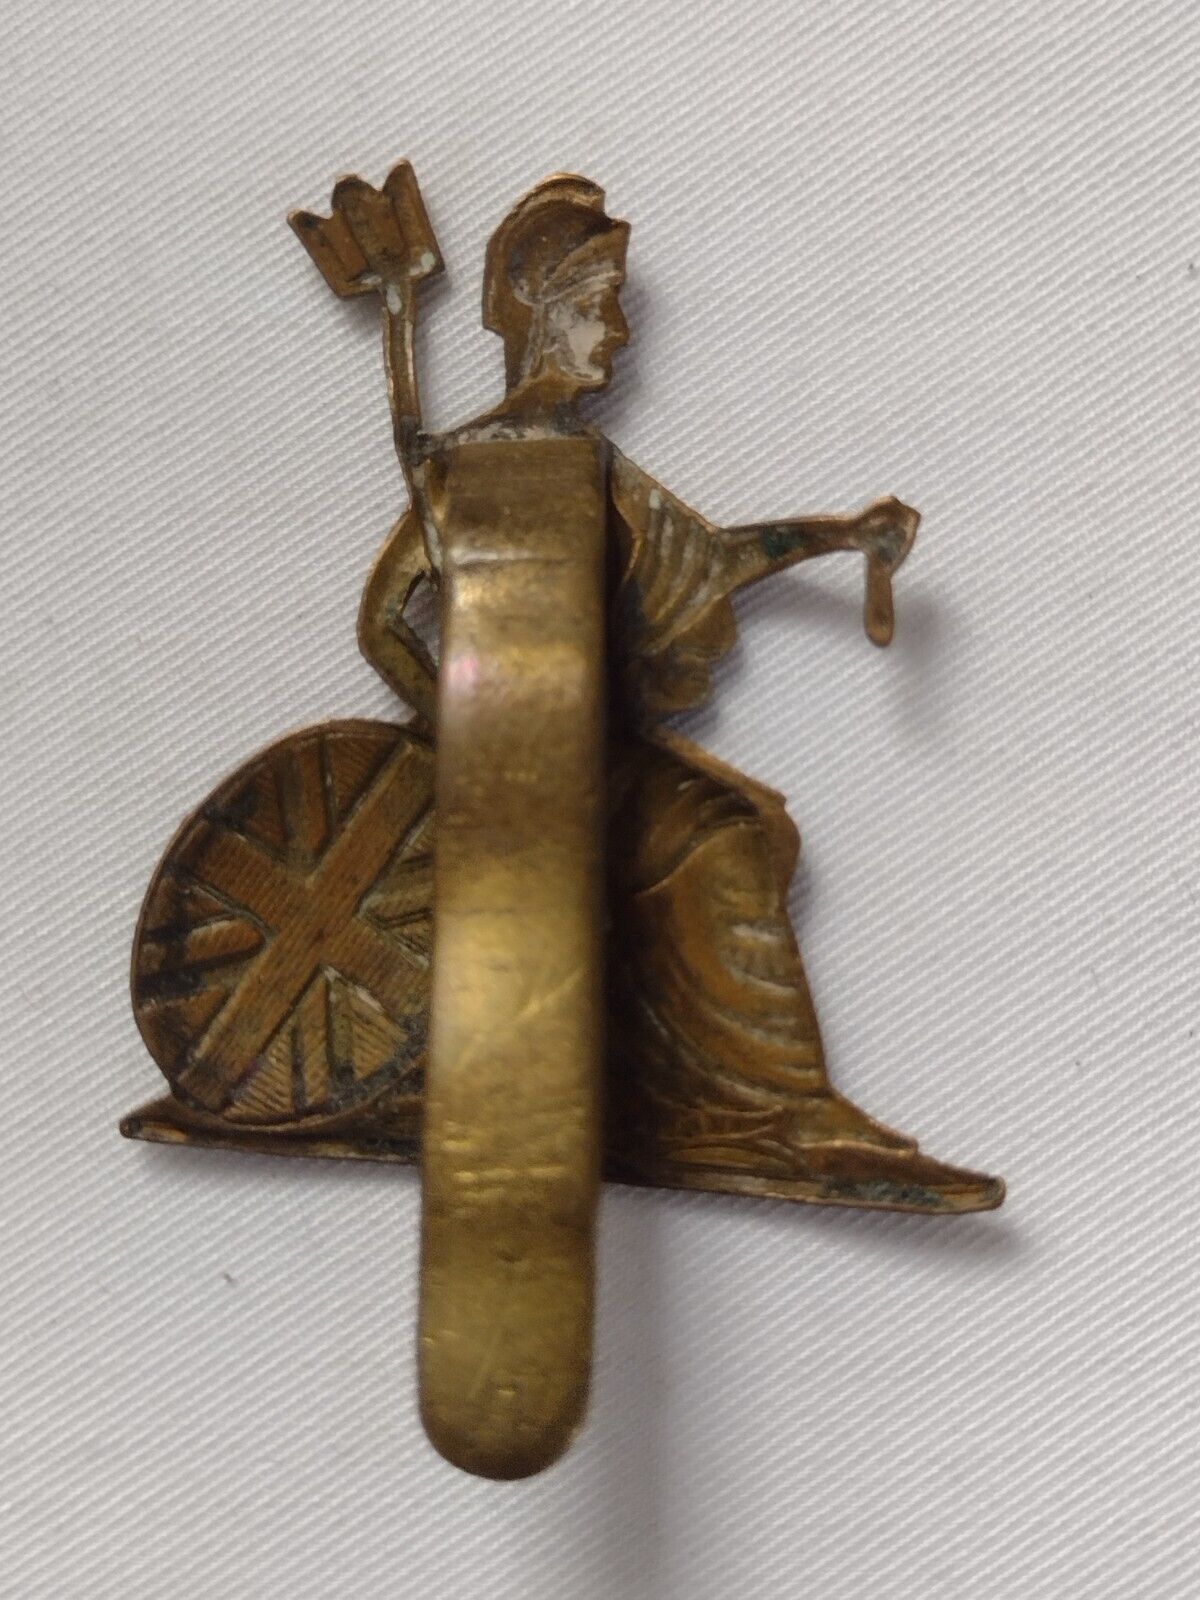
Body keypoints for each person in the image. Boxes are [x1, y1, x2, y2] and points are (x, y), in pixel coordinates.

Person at [359, 175, 1001, 1213]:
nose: (616, 329)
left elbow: (706, 561)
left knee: (759, 826)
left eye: (612, 303)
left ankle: (683, 1089)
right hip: (514, 778)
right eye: (594, 305)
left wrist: (838, 536)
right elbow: (381, 623)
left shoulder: (592, 467)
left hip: (581, 754)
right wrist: (462, 731)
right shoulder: (459, 467)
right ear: (537, 315)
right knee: (727, 836)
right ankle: (781, 1113)